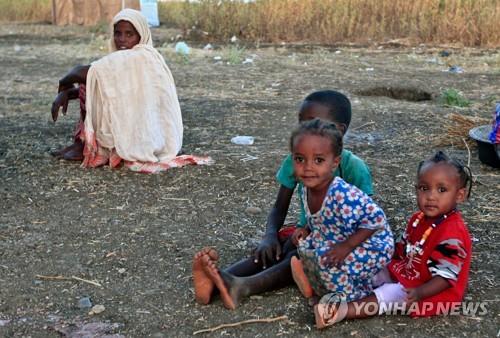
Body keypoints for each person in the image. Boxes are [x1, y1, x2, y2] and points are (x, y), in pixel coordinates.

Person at [192, 91, 375, 309]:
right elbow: (280, 207)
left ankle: (243, 286)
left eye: (312, 123)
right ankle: (217, 278)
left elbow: (366, 220)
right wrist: (269, 237)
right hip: (304, 233)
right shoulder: (296, 160)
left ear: (339, 130)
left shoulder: (353, 168)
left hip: (338, 241)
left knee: (295, 256)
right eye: (300, 122)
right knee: (274, 250)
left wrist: (325, 238)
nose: (302, 129)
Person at [314, 151, 473, 328]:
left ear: (459, 195)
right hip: (405, 271)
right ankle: (323, 284)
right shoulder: (418, 219)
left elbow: (445, 277)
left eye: (441, 190)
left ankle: (338, 312)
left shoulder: (453, 233)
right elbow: (402, 248)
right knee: (371, 267)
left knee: (389, 293)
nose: (431, 196)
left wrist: (420, 293)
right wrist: (380, 259)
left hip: (428, 289)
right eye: (424, 188)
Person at [51, 9, 189, 173]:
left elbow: (84, 72)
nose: (122, 40)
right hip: (142, 129)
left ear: (141, 36)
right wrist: (67, 93)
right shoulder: (135, 59)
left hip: (146, 134)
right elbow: (107, 86)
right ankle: (82, 143)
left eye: (129, 34)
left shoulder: (142, 56)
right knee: (93, 84)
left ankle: (88, 146)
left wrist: (64, 82)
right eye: (118, 33)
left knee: (93, 79)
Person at [288, 118, 393, 306]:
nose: (308, 168)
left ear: (334, 163)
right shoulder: (305, 189)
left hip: (371, 244)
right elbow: (319, 221)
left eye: (318, 160)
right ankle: (320, 288)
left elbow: (377, 220)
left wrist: (346, 247)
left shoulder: (342, 194)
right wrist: (305, 228)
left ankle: (351, 296)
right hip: (338, 237)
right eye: (299, 159)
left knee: (329, 263)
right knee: (306, 249)